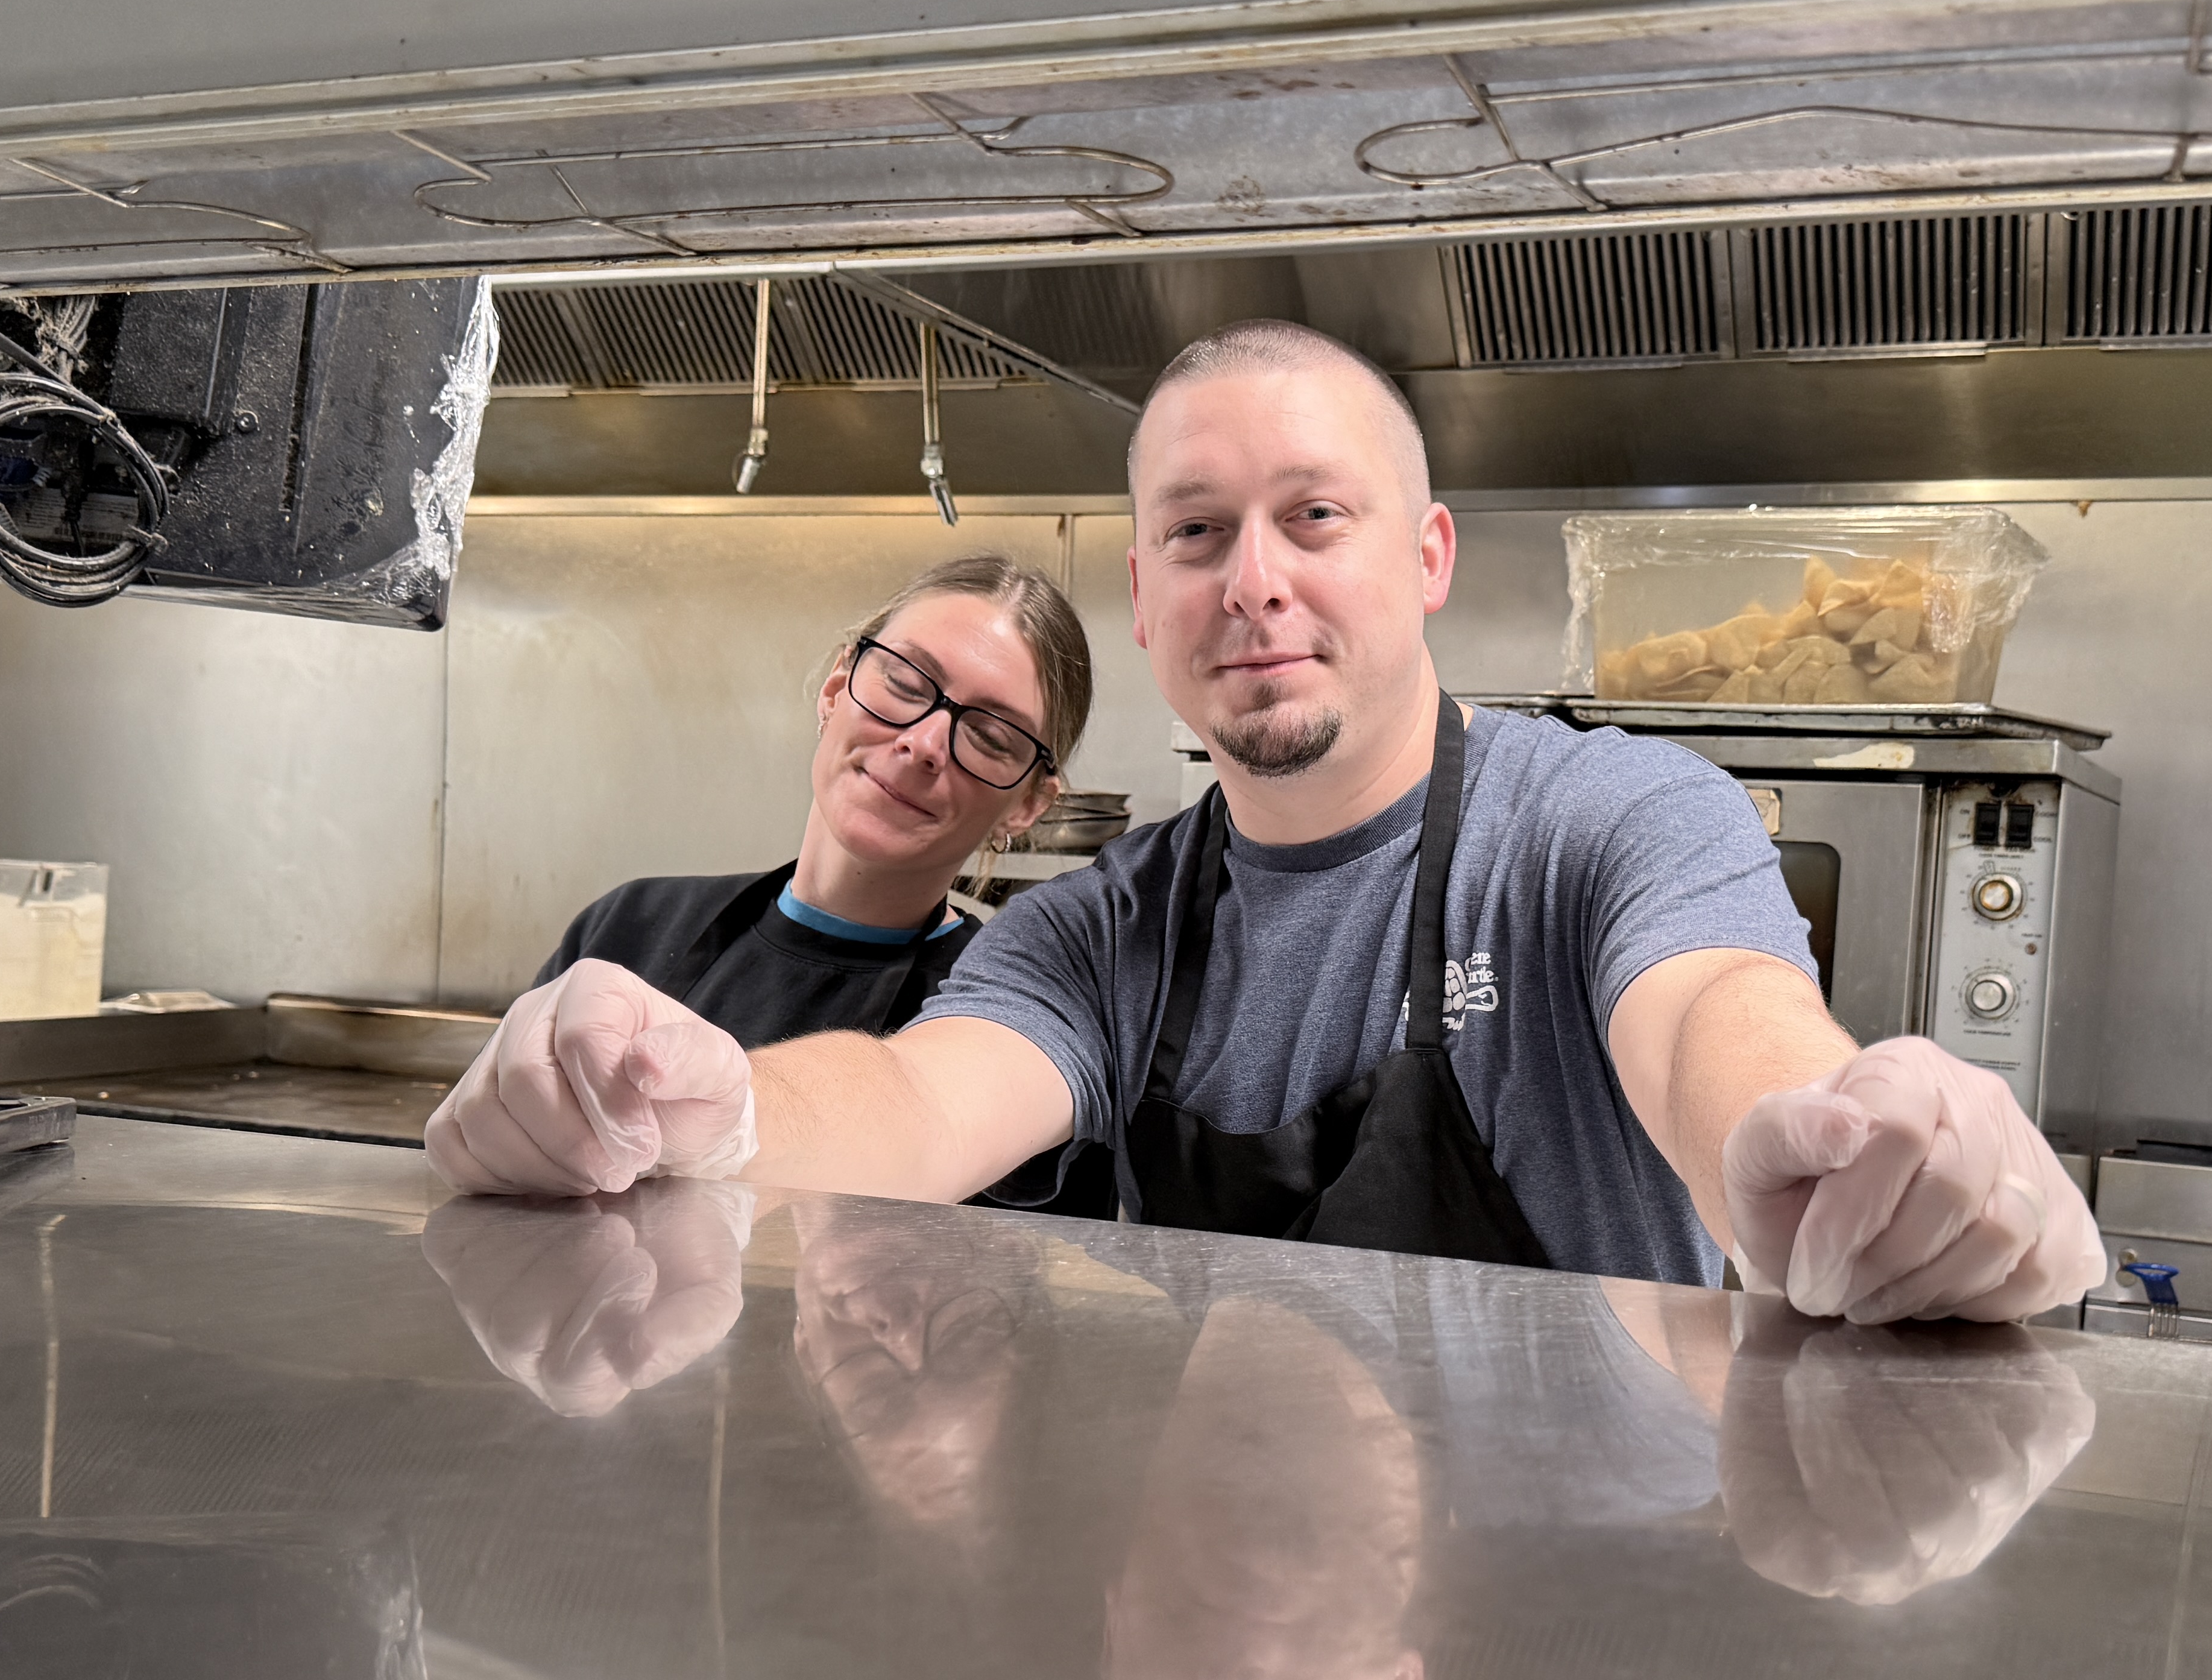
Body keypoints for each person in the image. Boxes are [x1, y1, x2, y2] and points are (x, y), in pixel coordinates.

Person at [427, 321, 2106, 1325]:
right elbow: (916, 1097)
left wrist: (1824, 1153)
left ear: (1427, 558)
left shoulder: (1600, 821)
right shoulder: (1099, 929)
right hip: (1214, 1598)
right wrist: (702, 1108)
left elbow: (1717, 1018)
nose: (1255, 582)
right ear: (1145, 598)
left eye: (1314, 516)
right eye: (1196, 532)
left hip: (1584, 1640)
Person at [531, 554, 1092, 1047]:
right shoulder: (628, 929)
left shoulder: (1001, 1023)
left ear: (1027, 805)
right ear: (835, 688)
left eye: (991, 737)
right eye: (905, 683)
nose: (924, 744)